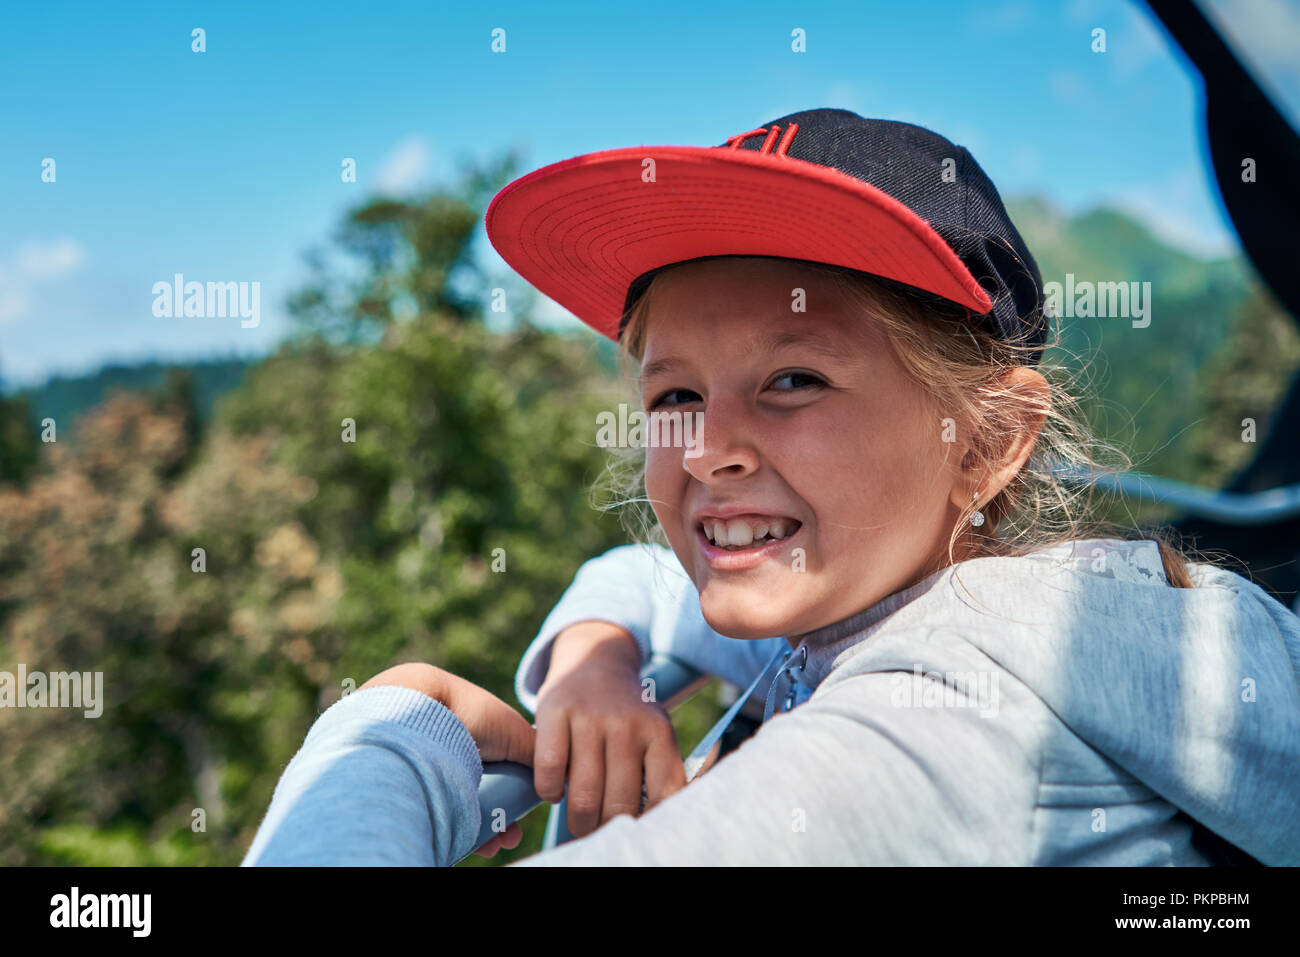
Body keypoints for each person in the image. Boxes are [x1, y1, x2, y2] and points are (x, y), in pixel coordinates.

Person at [242, 109, 1300, 867]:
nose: (706, 452)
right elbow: (642, 581)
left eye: (793, 379)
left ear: (985, 441)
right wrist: (592, 663)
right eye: (675, 396)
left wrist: (397, 730)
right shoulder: (878, 586)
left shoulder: (954, 726)